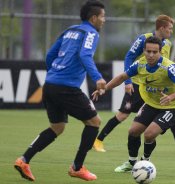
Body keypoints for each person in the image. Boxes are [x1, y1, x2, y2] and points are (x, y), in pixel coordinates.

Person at [14, 0, 106, 181]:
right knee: (94, 122)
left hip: (50, 84)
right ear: (93, 18)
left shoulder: (70, 30)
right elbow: (84, 55)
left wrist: (55, 74)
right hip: (67, 87)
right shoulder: (91, 33)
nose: (104, 20)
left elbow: (50, 55)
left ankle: (24, 160)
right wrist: (97, 78)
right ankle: (77, 167)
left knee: (57, 127)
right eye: (102, 16)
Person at [93, 14, 175, 156]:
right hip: (138, 84)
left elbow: (164, 67)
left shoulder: (167, 44)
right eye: (170, 28)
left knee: (166, 110)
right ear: (162, 28)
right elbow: (129, 57)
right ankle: (99, 140)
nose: (171, 31)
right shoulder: (143, 39)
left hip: (157, 89)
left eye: (154, 52)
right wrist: (128, 82)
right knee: (123, 115)